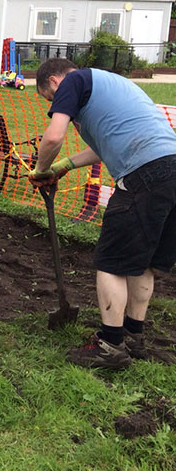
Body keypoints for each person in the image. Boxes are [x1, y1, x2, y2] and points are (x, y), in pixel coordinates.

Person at [29, 58, 176, 369]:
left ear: (55, 82)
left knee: (111, 263)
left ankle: (110, 346)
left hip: (144, 173)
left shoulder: (74, 81)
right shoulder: (111, 86)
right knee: (144, 264)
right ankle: (133, 336)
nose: (55, 104)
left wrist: (41, 170)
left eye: (50, 99)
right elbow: (103, 146)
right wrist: (65, 165)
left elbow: (53, 136)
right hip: (171, 167)